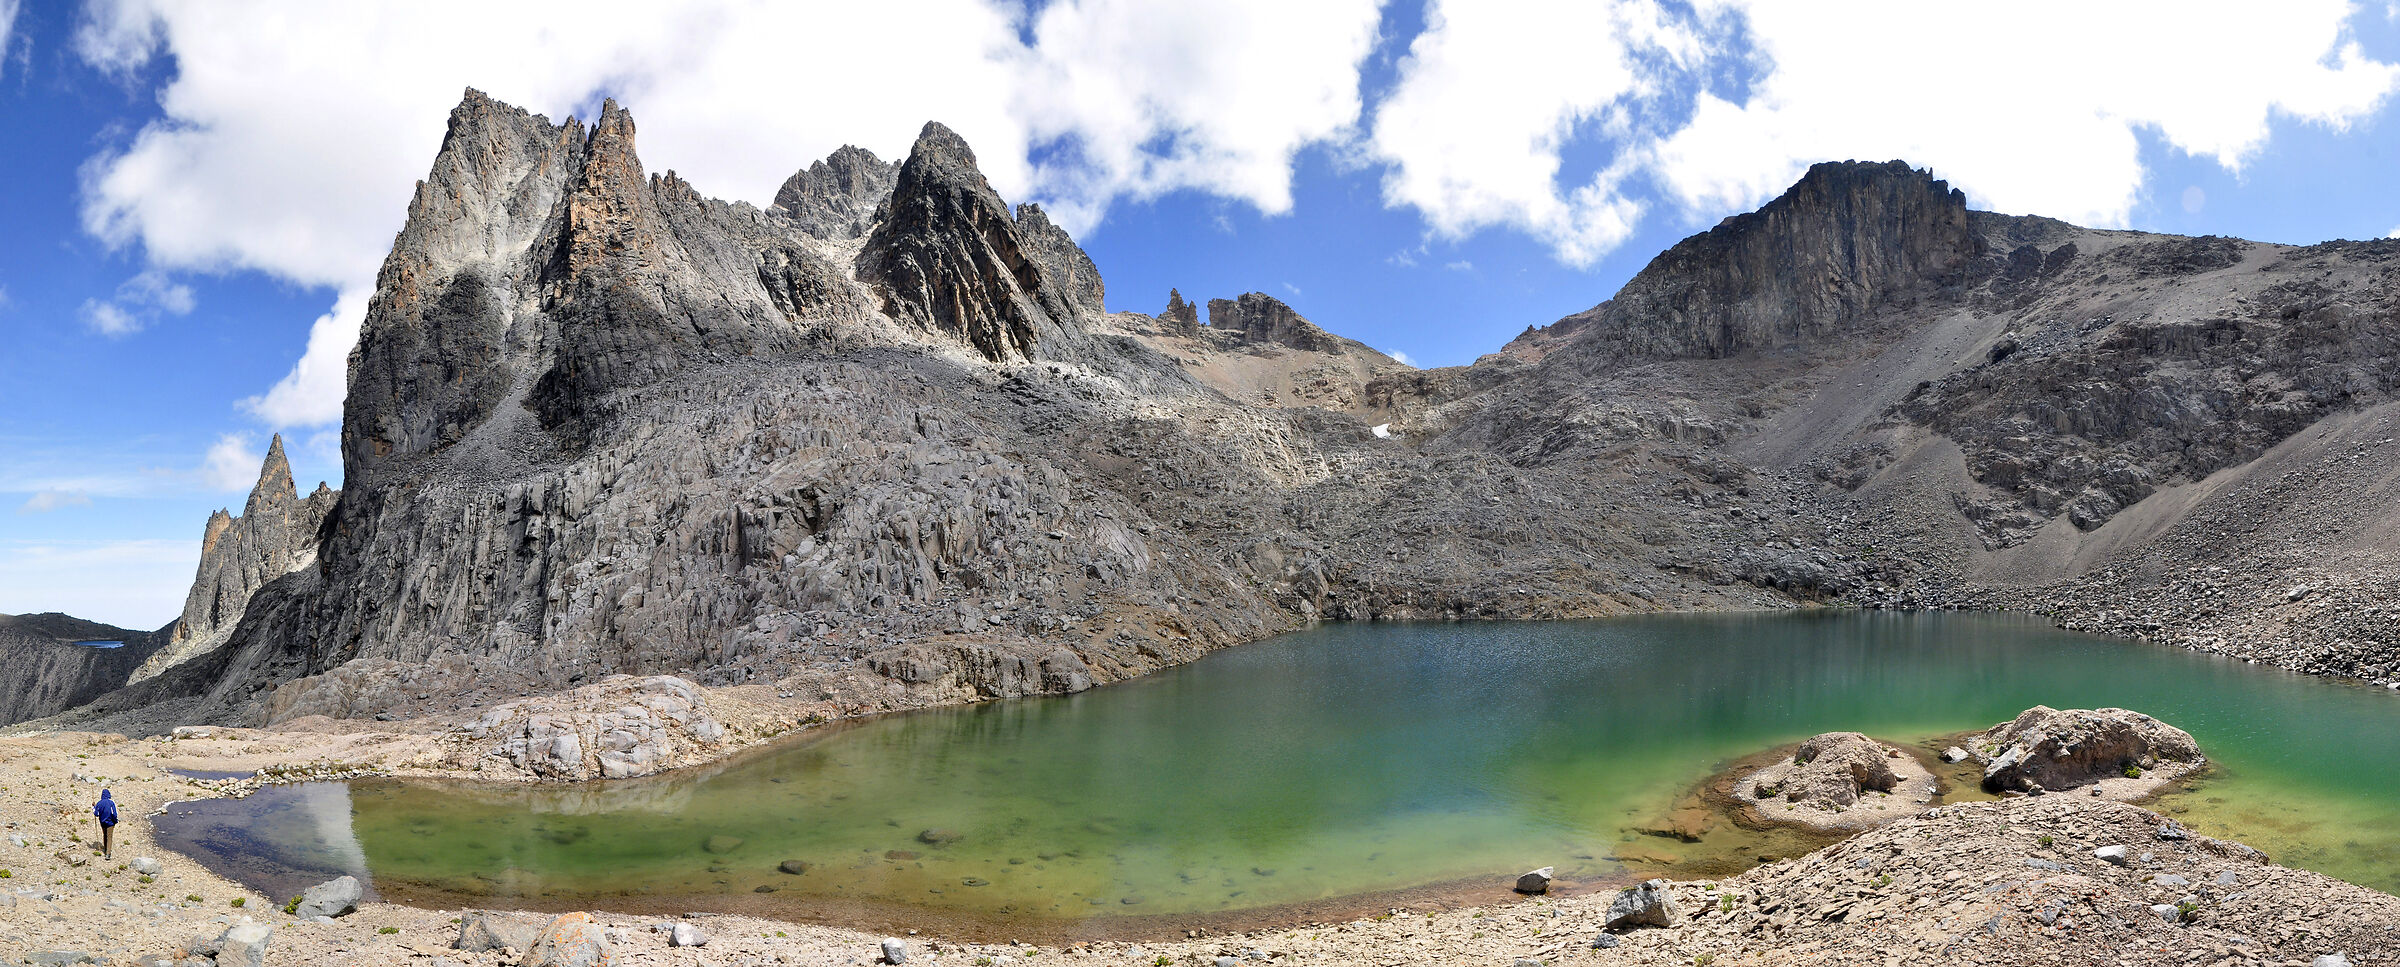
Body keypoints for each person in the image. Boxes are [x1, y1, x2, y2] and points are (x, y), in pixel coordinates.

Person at [93, 789, 118, 859]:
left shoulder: (99, 803)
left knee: (105, 835)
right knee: (109, 837)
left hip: (102, 822)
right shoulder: (111, 803)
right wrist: (115, 821)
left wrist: (93, 807)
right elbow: (114, 814)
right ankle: (108, 853)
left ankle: (105, 849)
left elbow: (96, 813)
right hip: (110, 823)